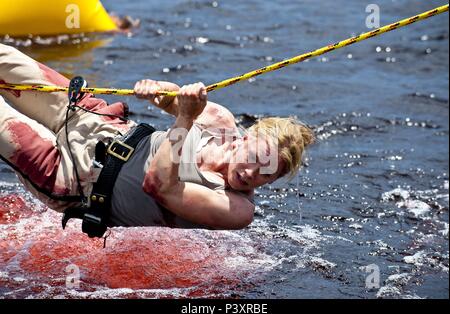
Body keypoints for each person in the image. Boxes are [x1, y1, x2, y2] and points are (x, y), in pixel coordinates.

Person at [0, 43, 314, 235]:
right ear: (246, 138)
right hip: (98, 120)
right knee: (6, 58)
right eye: (255, 159)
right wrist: (157, 91)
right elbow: (168, 101)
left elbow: (160, 186)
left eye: (266, 175)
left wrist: (186, 118)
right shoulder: (219, 119)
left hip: (72, 179)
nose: (251, 174)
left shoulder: (236, 209)